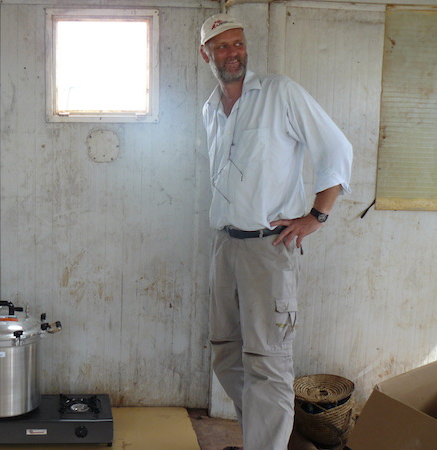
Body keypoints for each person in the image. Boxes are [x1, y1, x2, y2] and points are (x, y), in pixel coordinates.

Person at [198, 13, 353, 450]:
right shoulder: (211, 109)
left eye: (239, 44)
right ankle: (260, 441)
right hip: (224, 245)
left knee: (267, 361)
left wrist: (316, 216)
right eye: (223, 46)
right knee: (226, 352)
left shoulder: (280, 93)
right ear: (205, 53)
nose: (234, 53)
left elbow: (336, 148)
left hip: (269, 248)